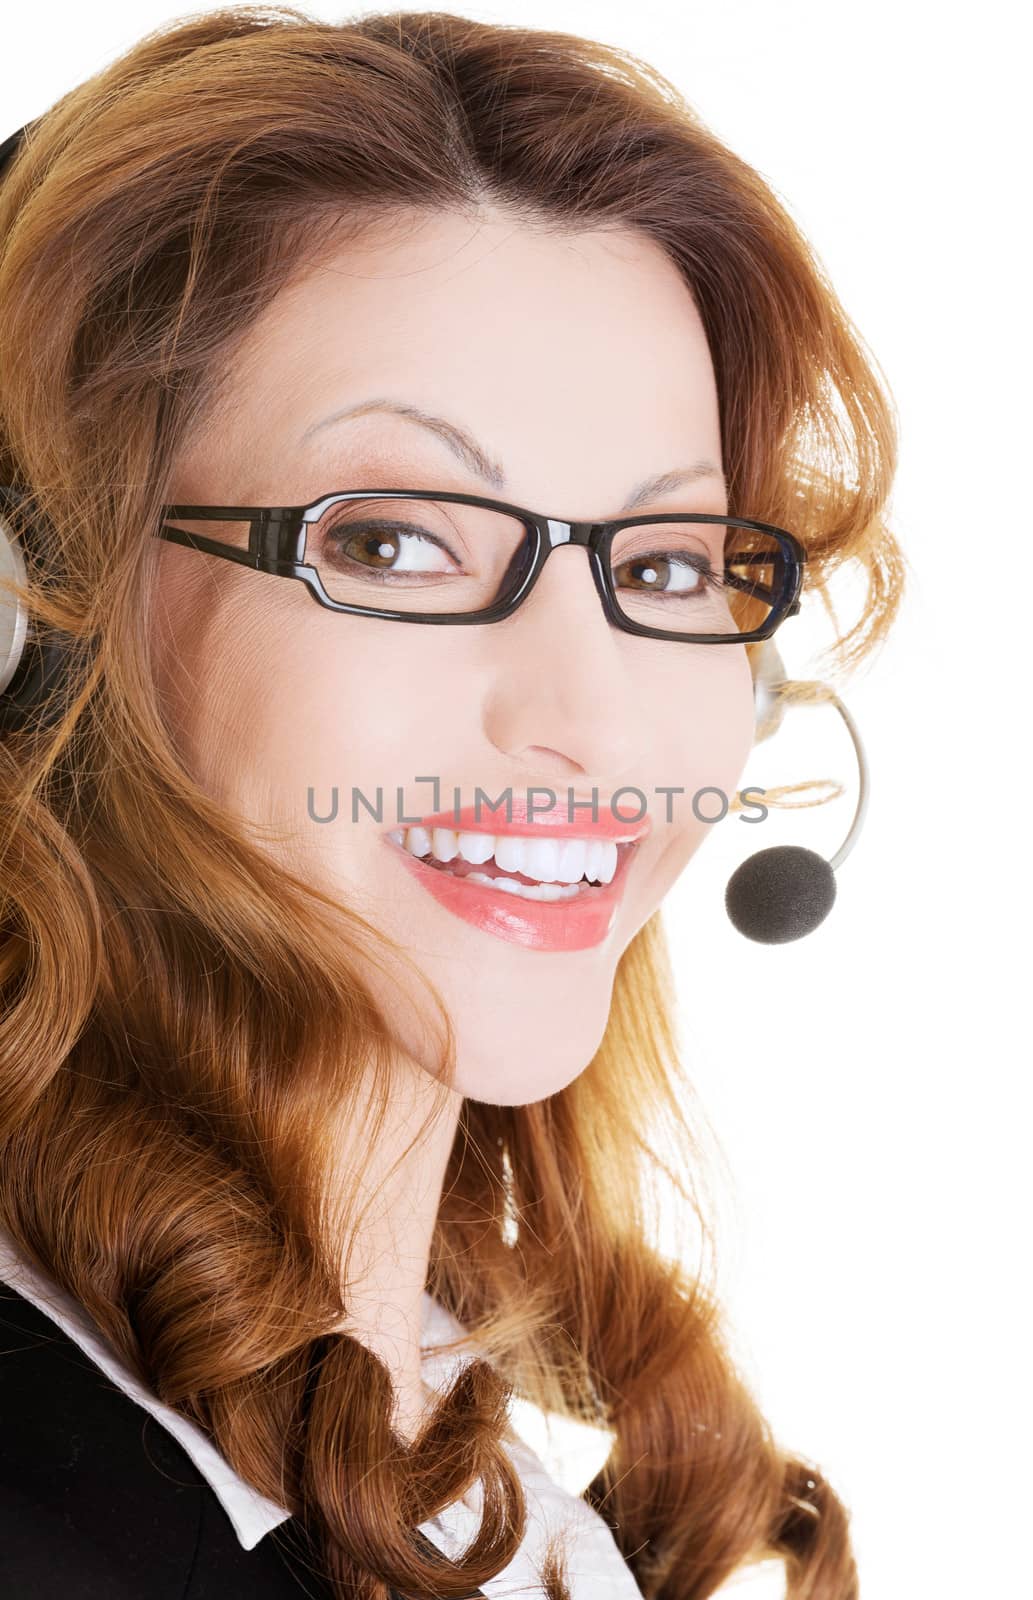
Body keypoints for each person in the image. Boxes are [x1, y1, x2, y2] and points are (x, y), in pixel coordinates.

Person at [0, 7, 904, 1598]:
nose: (587, 717)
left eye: (671, 563)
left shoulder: (479, 1462)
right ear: (32, 618)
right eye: (397, 541)